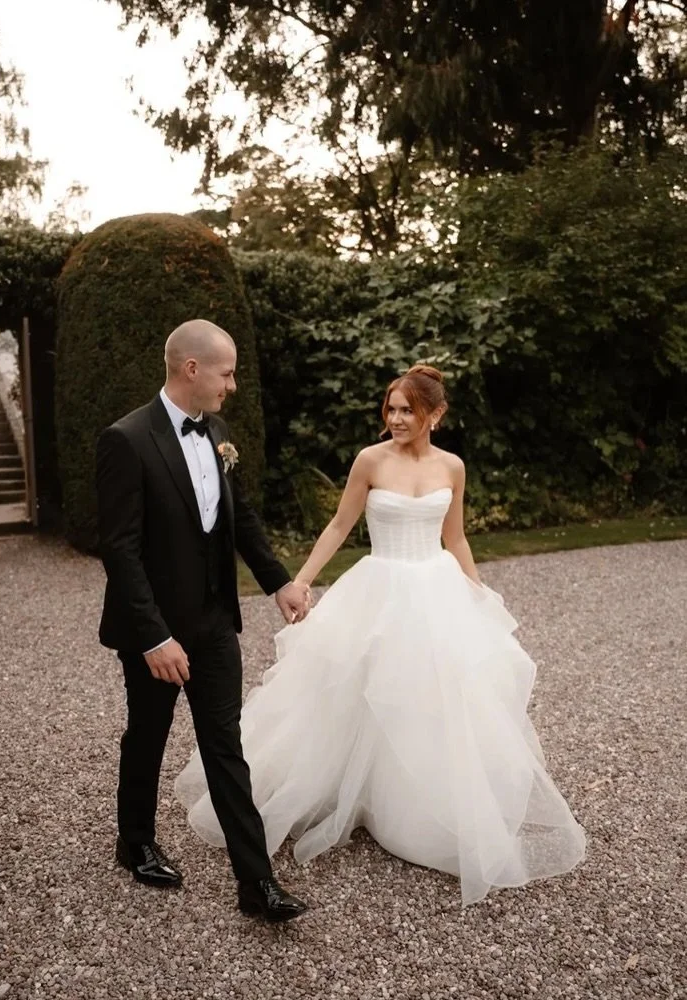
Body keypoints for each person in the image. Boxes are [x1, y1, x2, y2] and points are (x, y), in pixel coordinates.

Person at [175, 364, 586, 907]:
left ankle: (411, 809)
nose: (395, 418)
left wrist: (479, 596)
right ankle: (351, 793)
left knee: (430, 700)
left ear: (434, 415)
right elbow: (340, 526)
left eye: (406, 410)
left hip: (435, 587)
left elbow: (456, 538)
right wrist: (299, 580)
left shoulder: (453, 467)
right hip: (379, 585)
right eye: (390, 408)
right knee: (358, 689)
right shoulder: (370, 460)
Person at [96, 319, 309, 922]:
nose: (232, 385)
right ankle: (134, 841)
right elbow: (121, 549)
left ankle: (256, 882)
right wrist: (154, 636)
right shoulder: (126, 439)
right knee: (148, 735)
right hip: (155, 630)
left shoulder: (217, 432)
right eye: (226, 372)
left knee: (225, 745)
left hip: (215, 622)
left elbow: (239, 517)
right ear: (192, 369)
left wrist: (280, 582)